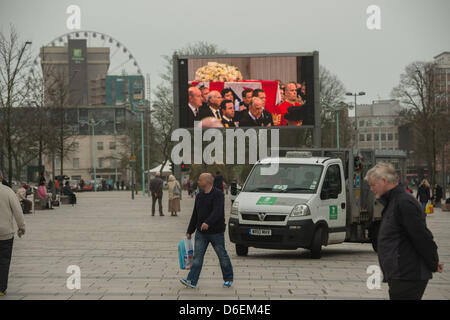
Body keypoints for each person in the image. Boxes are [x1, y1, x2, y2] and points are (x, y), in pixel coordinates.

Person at [365, 162, 443, 300]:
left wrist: (432, 261)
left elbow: (421, 236)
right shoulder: (394, 201)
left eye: (373, 185)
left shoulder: (404, 202)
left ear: (384, 181)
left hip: (407, 274)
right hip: (401, 273)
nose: (371, 189)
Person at [180, 173, 233, 289]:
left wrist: (208, 222)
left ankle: (228, 278)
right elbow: (195, 215)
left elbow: (217, 211)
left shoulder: (218, 195)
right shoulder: (199, 196)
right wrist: (190, 231)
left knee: (222, 255)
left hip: (216, 232)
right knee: (197, 257)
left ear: (207, 181)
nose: (198, 182)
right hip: (201, 233)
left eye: (200, 180)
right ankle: (192, 281)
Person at [0, 181, 26, 296]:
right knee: (4, 261)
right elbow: (17, 211)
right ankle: (1, 288)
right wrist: (21, 227)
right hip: (5, 233)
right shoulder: (8, 191)